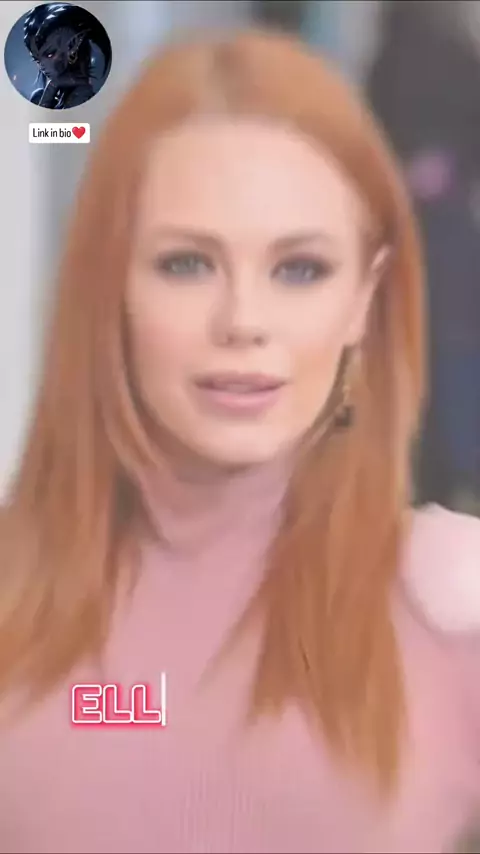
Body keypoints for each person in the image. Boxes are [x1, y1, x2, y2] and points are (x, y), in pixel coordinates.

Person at [0, 29, 479, 854]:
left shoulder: (456, 610)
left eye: (300, 269)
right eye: (187, 264)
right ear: (108, 287)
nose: (243, 322)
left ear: (364, 300)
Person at [367, 0, 480, 509]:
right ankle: (455, 467)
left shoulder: (392, 53)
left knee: (426, 342)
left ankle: (437, 469)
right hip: (438, 224)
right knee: (449, 342)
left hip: (416, 224)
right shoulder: (453, 50)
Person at [23, 2, 112, 109]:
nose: (42, 66)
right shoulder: (39, 97)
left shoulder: (82, 96)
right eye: (37, 60)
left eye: (50, 54)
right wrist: (52, 88)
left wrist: (52, 87)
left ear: (73, 45)